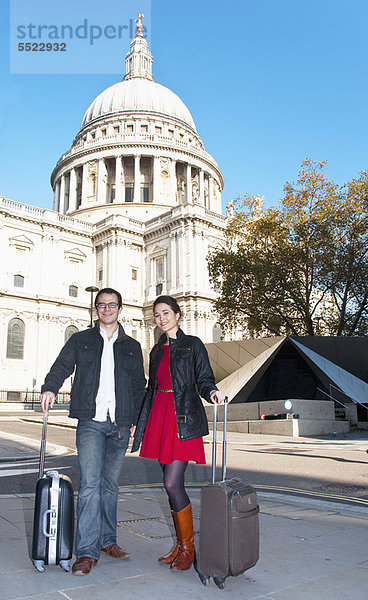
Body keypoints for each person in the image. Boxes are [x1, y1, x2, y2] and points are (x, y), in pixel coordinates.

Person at [40, 287, 146, 576]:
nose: (107, 309)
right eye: (101, 305)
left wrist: (137, 418)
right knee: (89, 485)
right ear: (96, 309)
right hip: (91, 421)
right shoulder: (81, 339)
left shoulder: (132, 346)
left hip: (121, 423)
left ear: (120, 309)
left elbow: (139, 385)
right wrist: (50, 387)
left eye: (112, 305)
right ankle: (86, 552)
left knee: (110, 485)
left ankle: (108, 541)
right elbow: (61, 366)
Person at [132, 295, 225, 571]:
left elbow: (204, 378)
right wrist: (142, 420)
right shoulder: (156, 350)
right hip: (159, 414)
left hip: (181, 416)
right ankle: (181, 545)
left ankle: (189, 548)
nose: (161, 319)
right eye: (157, 315)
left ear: (177, 314)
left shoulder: (192, 344)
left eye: (166, 313)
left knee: (173, 483)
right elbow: (151, 388)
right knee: (171, 485)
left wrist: (212, 392)